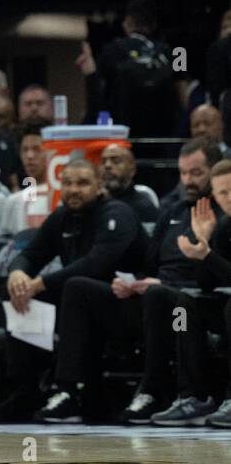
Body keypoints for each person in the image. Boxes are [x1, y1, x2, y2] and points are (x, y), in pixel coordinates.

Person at [38, 139, 221, 423]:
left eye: (196, 173)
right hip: (150, 302)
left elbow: (212, 277)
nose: (188, 180)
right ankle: (70, 391)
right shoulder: (172, 213)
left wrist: (162, 284)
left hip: (188, 309)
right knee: (78, 287)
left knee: (163, 298)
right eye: (183, 173)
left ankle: (152, 391)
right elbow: (149, 263)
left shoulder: (223, 216)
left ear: (214, 170)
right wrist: (132, 282)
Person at [0, 158, 146, 422]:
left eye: (83, 183)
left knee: (75, 286)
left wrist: (40, 283)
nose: (74, 190)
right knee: (15, 290)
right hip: (79, 305)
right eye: (68, 183)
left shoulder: (117, 213)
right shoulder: (62, 217)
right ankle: (24, 388)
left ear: (99, 186)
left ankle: (68, 390)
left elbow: (95, 265)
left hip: (128, 306)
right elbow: (31, 254)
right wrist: (18, 273)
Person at [165, 160, 231, 428]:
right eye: (223, 193)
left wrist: (207, 255)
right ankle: (193, 396)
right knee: (185, 304)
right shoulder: (225, 226)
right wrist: (204, 245)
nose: (230, 198)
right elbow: (206, 283)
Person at [77, 0, 181, 137]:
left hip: (124, 133)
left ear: (128, 21)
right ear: (155, 24)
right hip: (165, 135)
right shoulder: (177, 52)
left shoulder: (110, 50)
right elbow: (182, 91)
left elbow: (101, 97)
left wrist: (101, 129)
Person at [99, 143, 160, 228]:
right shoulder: (92, 204)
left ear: (132, 169)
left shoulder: (144, 208)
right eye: (103, 161)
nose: (107, 165)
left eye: (116, 161)